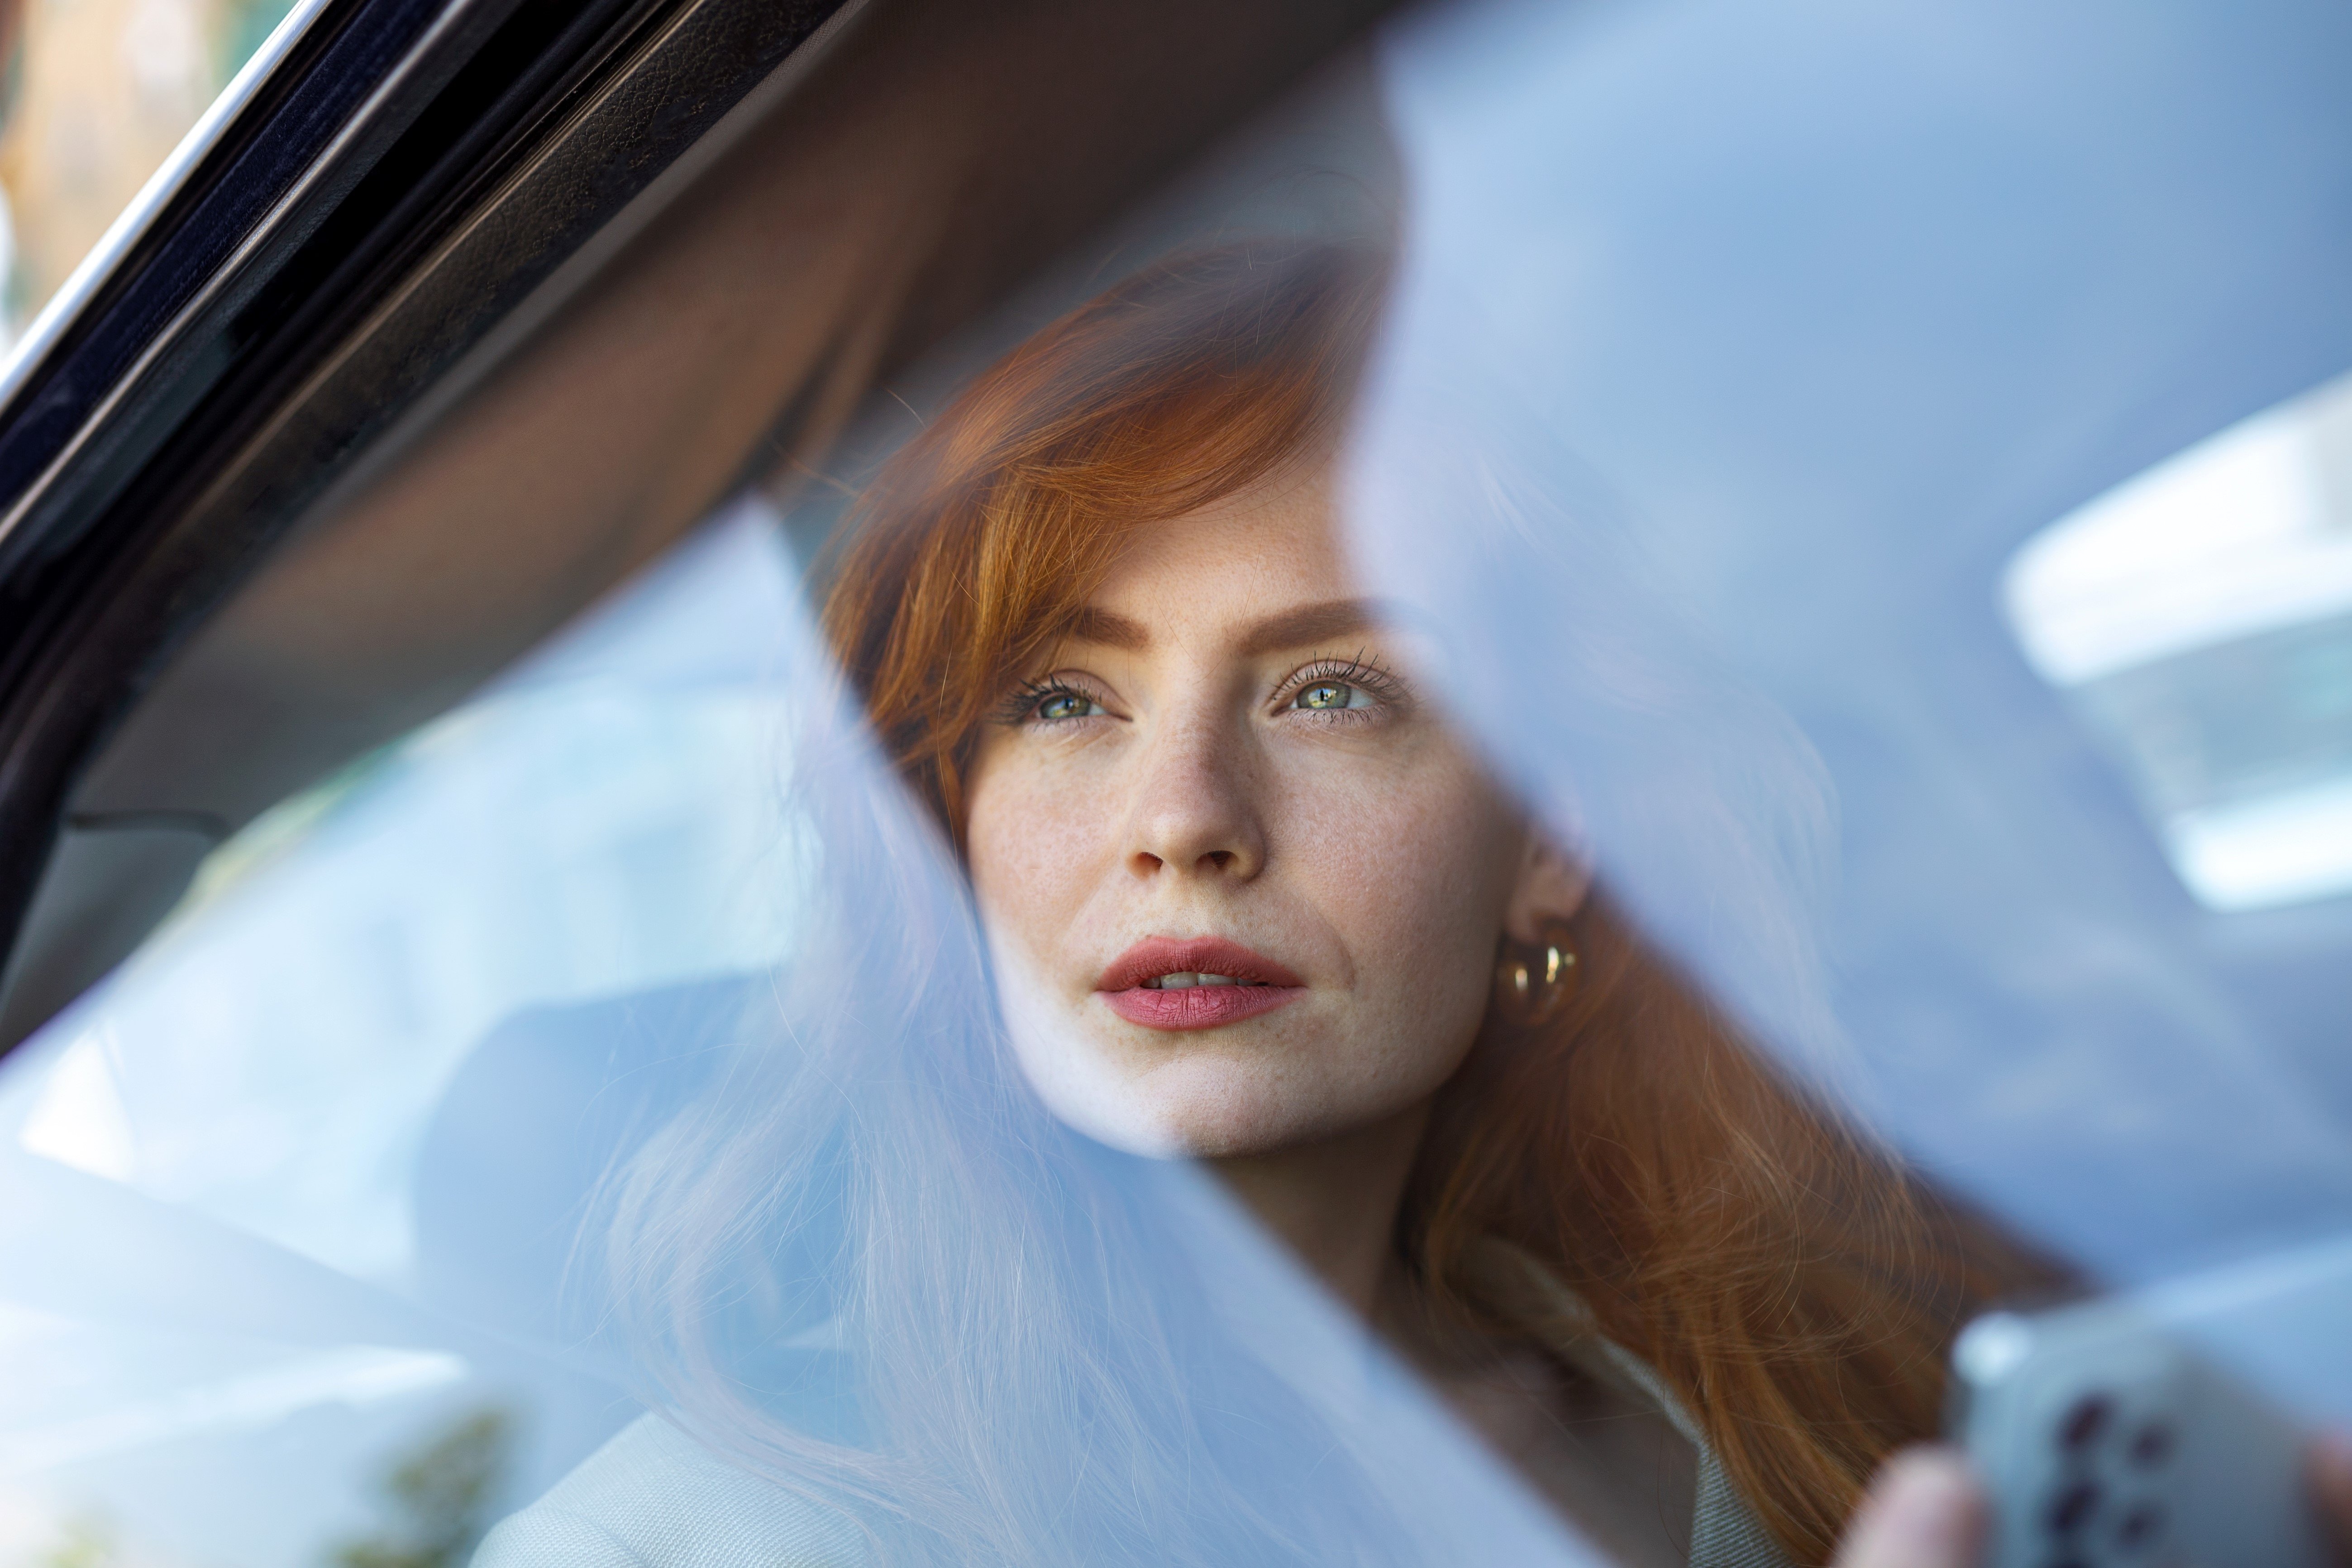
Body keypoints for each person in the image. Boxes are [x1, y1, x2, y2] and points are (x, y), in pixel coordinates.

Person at [473, 244, 2352, 1568]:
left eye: (1335, 691)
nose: (1185, 822)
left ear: (1550, 838)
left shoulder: (1773, 1426)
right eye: (1062, 701)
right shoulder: (673, 1549)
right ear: (940, 834)